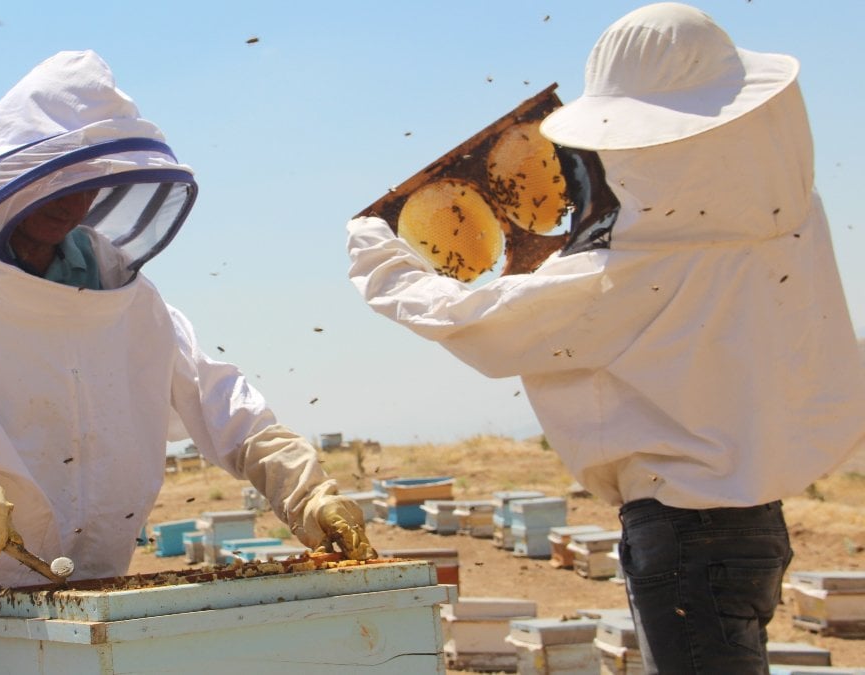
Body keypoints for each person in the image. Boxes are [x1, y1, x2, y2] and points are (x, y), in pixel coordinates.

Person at [0, 50, 374, 675]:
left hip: (81, 581)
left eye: (93, 180)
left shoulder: (113, 283)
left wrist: (304, 490)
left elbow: (215, 395)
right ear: (9, 168)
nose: (75, 199)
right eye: (59, 177)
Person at [345, 3, 865, 673]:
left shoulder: (631, 272)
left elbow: (475, 321)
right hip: (754, 520)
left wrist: (381, 261)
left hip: (686, 533)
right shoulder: (790, 218)